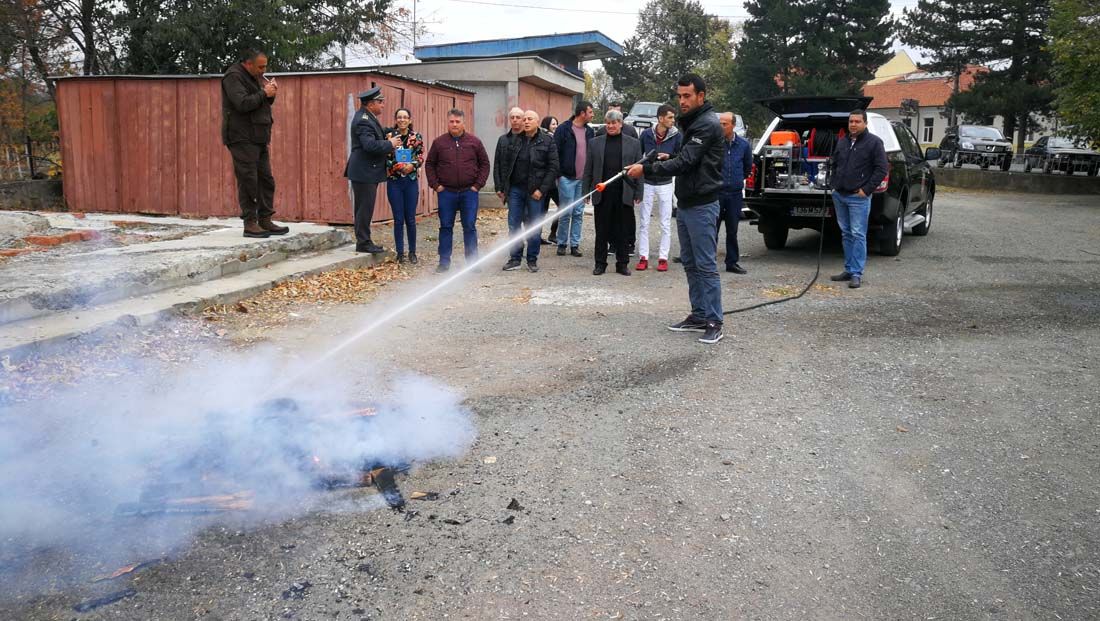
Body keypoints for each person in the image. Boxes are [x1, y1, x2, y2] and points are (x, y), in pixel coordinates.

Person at [627, 73, 725, 344]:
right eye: (679, 96)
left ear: (700, 97)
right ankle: (699, 314)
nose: (681, 101)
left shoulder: (705, 124)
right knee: (691, 264)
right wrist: (668, 156)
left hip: (702, 205)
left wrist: (645, 168)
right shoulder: (692, 123)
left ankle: (715, 320)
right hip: (687, 203)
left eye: (687, 96)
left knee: (705, 265)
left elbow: (687, 163)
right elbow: (684, 158)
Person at [221, 48, 289, 238]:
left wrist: (271, 94)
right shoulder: (233, 76)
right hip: (241, 136)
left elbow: (262, 102)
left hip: (259, 136)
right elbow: (242, 103)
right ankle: (250, 222)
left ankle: (265, 219)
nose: (264, 70)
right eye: (260, 66)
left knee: (266, 179)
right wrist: (263, 93)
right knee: (248, 180)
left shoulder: (255, 76)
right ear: (248, 63)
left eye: (265, 66)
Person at [424, 108, 490, 273]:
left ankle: (473, 262)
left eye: (457, 121)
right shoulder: (439, 143)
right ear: (448, 122)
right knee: (446, 227)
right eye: (451, 121)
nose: (454, 124)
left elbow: (485, 164)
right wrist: (436, 186)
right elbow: (429, 164)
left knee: (469, 227)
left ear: (463, 122)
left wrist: (477, 185)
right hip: (447, 193)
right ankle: (444, 262)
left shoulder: (474, 142)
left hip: (469, 192)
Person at [828, 109, 888, 289]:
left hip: (858, 197)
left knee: (858, 234)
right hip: (840, 194)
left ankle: (856, 273)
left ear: (865, 123)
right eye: (851, 121)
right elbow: (835, 163)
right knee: (846, 233)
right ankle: (848, 269)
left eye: (857, 121)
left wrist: (867, 190)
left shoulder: (874, 143)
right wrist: (833, 184)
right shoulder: (843, 141)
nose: (853, 124)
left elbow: (881, 169)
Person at [584, 110, 642, 276]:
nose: (610, 126)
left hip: (624, 192)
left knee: (623, 230)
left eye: (614, 123)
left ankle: (622, 264)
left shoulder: (633, 143)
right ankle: (600, 264)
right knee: (601, 230)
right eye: (608, 123)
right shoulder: (595, 143)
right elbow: (588, 169)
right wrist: (586, 191)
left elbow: (639, 171)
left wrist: (639, 192)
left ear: (620, 124)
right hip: (602, 193)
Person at [501, 110, 559, 273]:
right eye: (524, 119)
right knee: (514, 225)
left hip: (535, 192)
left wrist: (541, 190)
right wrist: (504, 188)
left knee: (533, 226)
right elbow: (506, 165)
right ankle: (515, 258)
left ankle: (532, 259)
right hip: (516, 190)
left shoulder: (547, 141)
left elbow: (553, 167)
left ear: (537, 122)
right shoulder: (516, 140)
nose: (525, 122)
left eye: (529, 119)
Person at [345, 87, 402, 253]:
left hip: (367, 170)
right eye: (380, 102)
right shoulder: (363, 120)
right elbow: (369, 145)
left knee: (365, 207)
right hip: (364, 171)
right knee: (364, 208)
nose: (383, 105)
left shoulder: (368, 117)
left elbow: (377, 133)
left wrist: (390, 131)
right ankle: (363, 242)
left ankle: (364, 240)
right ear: (371, 104)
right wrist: (390, 144)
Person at [636, 103, 681, 272]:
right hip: (647, 182)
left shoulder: (677, 136)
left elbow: (681, 156)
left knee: (665, 222)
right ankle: (643, 257)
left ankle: (663, 258)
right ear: (660, 118)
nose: (673, 120)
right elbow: (638, 156)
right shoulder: (646, 135)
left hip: (666, 183)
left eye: (673, 117)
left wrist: (669, 156)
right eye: (670, 117)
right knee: (644, 222)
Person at [552, 101, 595, 258]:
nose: (592, 115)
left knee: (578, 212)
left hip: (583, 180)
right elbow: (555, 153)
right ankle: (562, 243)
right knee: (566, 212)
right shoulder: (563, 129)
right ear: (582, 113)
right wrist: (559, 175)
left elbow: (592, 155)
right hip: (566, 178)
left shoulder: (590, 132)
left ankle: (575, 244)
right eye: (590, 112)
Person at [385, 107, 424, 264]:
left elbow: (421, 155)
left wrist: (412, 165)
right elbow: (386, 157)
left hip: (410, 181)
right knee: (398, 219)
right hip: (394, 181)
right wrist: (399, 166)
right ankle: (400, 253)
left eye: (405, 117)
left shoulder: (416, 137)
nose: (402, 120)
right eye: (399, 117)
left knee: (411, 219)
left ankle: (412, 252)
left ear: (410, 120)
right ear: (396, 120)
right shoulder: (389, 137)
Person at [717, 111, 752, 275]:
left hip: (735, 193)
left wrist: (737, 180)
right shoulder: (715, 143)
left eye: (724, 124)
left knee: (732, 229)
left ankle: (732, 262)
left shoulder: (744, 145)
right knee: (712, 229)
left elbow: (747, 168)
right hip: (717, 193)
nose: (721, 126)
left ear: (733, 125)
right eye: (720, 123)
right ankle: (708, 263)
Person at [493, 107, 526, 206]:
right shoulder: (502, 140)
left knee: (530, 220)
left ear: (523, 119)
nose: (515, 120)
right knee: (513, 219)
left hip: (527, 187)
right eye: (512, 117)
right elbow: (497, 164)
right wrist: (498, 187)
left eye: (518, 117)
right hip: (510, 187)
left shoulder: (529, 139)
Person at [538, 115, 561, 245]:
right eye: (553, 124)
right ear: (546, 125)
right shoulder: (543, 138)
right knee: (542, 210)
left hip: (554, 182)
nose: (555, 126)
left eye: (556, 124)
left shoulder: (555, 138)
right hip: (546, 182)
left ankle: (553, 233)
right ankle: (538, 235)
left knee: (562, 206)